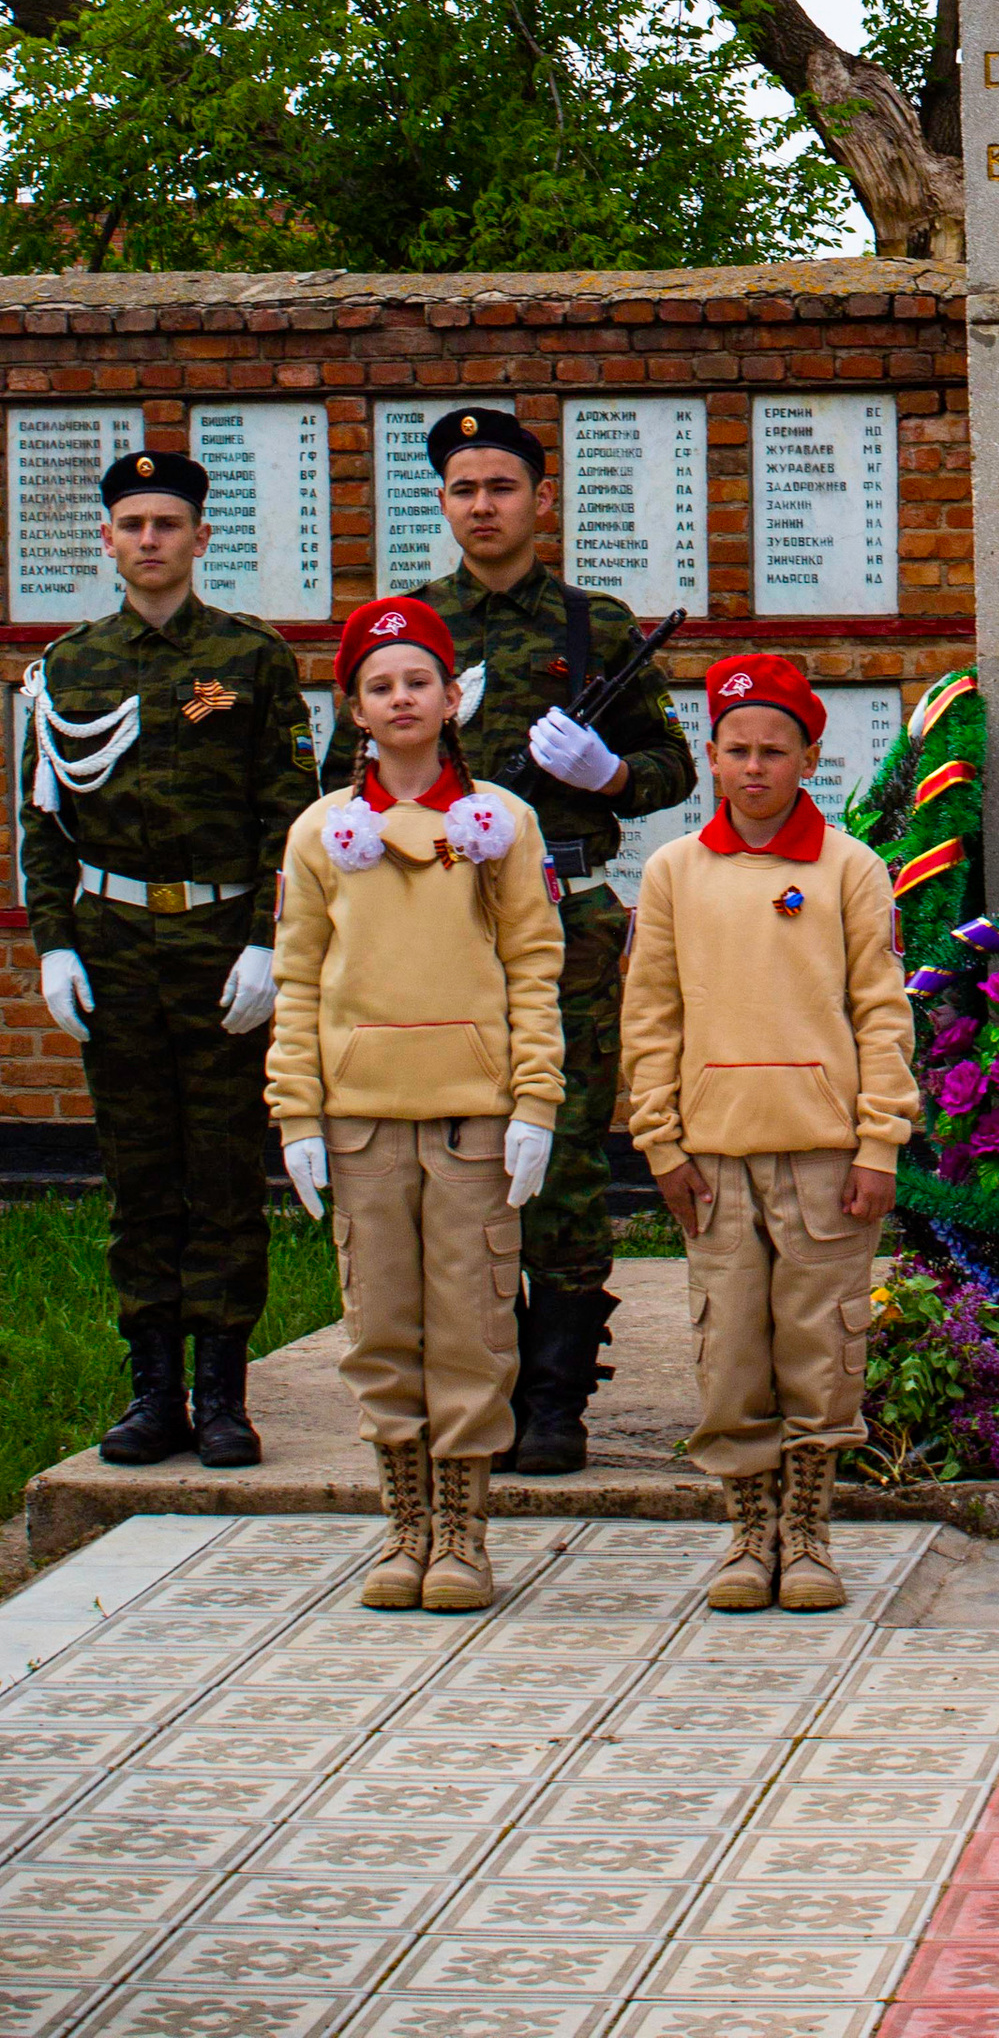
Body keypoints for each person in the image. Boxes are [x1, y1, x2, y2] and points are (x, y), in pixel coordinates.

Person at [382, 404, 695, 1470]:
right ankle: (478, 1374)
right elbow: (350, 786)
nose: (483, 506)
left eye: (502, 487)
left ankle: (559, 1393)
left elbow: (674, 771)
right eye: (465, 489)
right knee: (455, 1152)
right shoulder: (408, 630)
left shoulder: (594, 629)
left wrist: (604, 775)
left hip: (566, 918)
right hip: (440, 923)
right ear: (444, 503)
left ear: (540, 502)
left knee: (559, 1157)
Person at [269, 598, 563, 1613]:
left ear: (451, 699)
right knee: (382, 1326)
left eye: (418, 680)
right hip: (361, 1118)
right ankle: (405, 1526)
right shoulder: (321, 834)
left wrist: (536, 1102)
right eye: (379, 684)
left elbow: (533, 966)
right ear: (355, 708)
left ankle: (466, 1534)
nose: (401, 698)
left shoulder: (497, 826)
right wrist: (297, 1117)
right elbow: (300, 983)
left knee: (474, 1328)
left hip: (472, 1115)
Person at [24, 447, 313, 1470]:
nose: (150, 541)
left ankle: (222, 1391)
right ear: (108, 540)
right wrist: (54, 946)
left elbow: (291, 811)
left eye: (167, 524)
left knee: (228, 1165)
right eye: (132, 525)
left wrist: (270, 945)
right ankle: (151, 1389)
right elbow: (45, 821)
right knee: (140, 1170)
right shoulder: (70, 666)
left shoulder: (251, 659)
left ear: (199, 538)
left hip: (219, 941)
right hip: (112, 947)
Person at [620, 652, 917, 1614]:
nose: (755, 768)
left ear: (809, 759)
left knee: (820, 1348)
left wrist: (879, 1141)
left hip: (826, 1157)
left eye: (775, 750)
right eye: (737, 750)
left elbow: (881, 1012)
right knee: (731, 1353)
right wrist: (661, 1141)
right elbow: (651, 1015)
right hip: (712, 1157)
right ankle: (750, 1534)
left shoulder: (849, 870)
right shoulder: (673, 872)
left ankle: (811, 1533)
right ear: (709, 755)